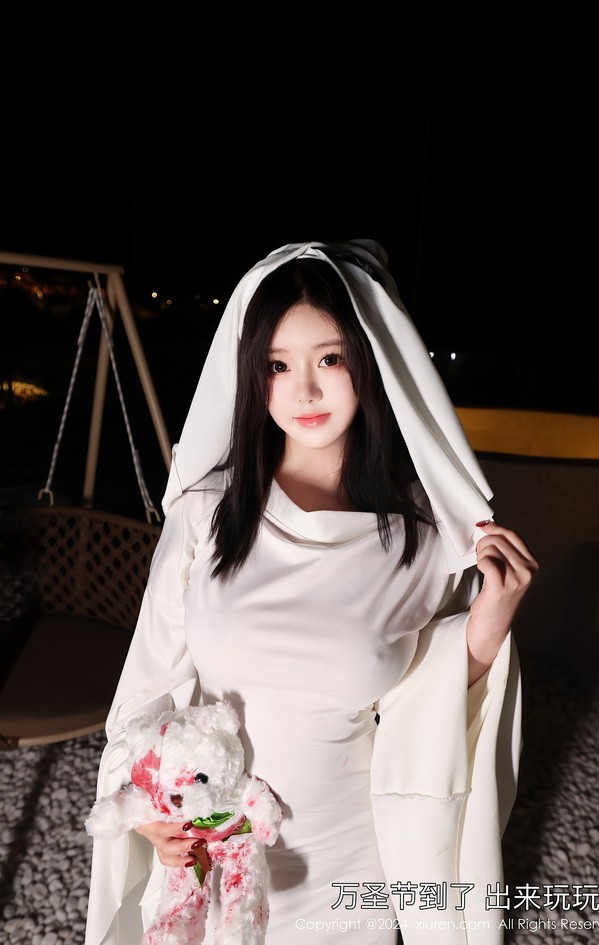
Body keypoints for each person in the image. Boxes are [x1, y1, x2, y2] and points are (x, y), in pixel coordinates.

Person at [84, 240, 538, 945]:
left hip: (350, 872)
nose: (304, 391)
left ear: (371, 361)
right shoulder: (206, 514)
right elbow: (145, 691)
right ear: (250, 375)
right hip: (214, 857)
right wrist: (146, 809)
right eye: (277, 365)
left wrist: (492, 618)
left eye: (329, 359)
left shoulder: (423, 537)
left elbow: (427, 701)